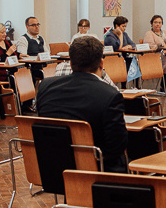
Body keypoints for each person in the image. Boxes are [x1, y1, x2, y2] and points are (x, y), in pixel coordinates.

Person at [36, 35, 127, 174]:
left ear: (71, 63)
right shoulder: (110, 95)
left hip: (53, 170)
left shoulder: (45, 87)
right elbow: (116, 147)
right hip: (97, 173)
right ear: (101, 64)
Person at [143, 14, 166, 93]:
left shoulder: (165, 33)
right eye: (155, 22)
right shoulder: (149, 33)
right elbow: (150, 46)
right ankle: (164, 86)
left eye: (159, 22)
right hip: (156, 56)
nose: (157, 24)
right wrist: (163, 47)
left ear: (162, 24)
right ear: (151, 23)